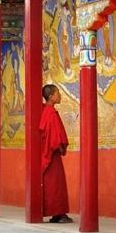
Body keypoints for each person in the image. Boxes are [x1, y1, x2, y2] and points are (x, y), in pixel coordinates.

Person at [40, 84, 72, 223]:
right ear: (51, 97)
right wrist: (59, 147)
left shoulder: (45, 111)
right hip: (53, 154)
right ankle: (58, 213)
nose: (60, 95)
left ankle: (56, 213)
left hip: (47, 153)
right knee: (56, 185)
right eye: (58, 93)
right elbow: (54, 136)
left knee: (51, 184)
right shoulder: (51, 113)